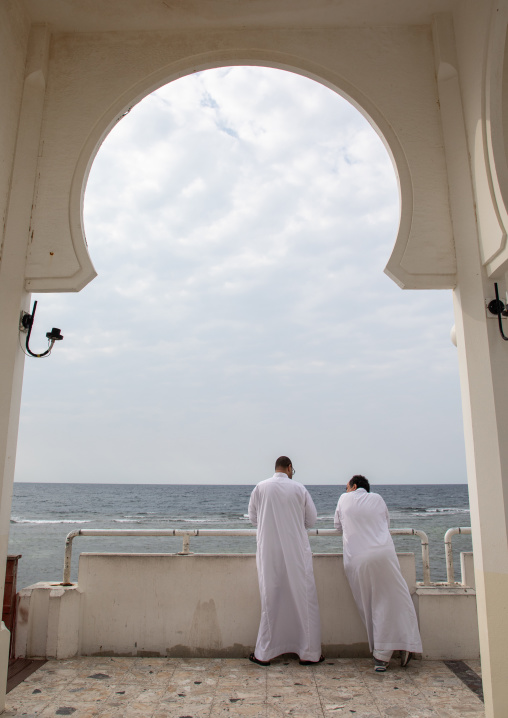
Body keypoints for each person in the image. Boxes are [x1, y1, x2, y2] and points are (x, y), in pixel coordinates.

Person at [334, 475, 422, 672]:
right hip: (383, 555)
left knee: (369, 604)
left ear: (354, 486)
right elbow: (385, 524)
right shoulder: (378, 499)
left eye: (347, 486)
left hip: (357, 559)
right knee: (397, 600)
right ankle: (401, 646)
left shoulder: (343, 499)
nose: (346, 489)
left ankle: (381, 654)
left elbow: (337, 526)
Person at [248, 456, 323, 666]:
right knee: (304, 599)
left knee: (270, 599)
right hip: (296, 551)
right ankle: (309, 652)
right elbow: (311, 520)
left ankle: (264, 653)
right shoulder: (299, 489)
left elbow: (253, 518)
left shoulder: (260, 488)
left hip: (268, 551)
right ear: (289, 468)